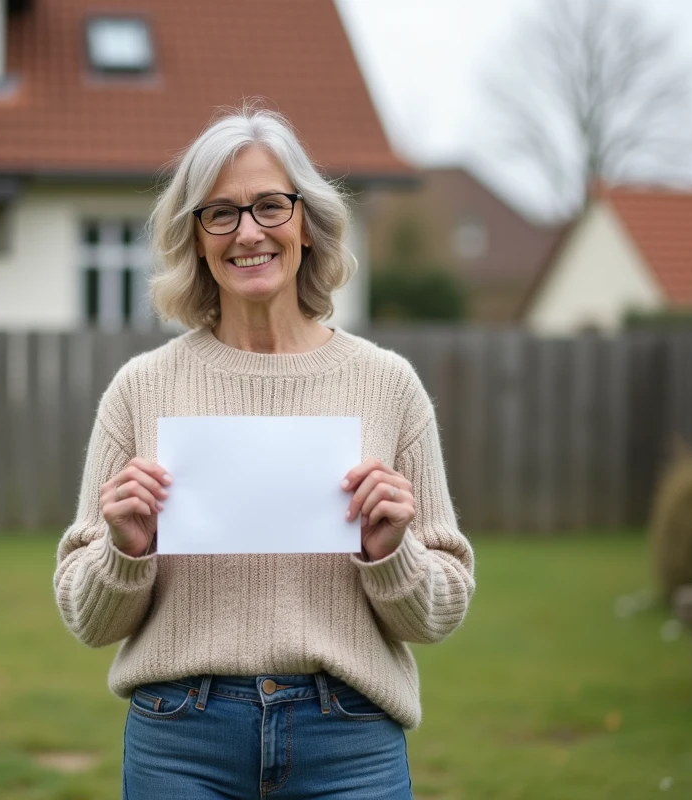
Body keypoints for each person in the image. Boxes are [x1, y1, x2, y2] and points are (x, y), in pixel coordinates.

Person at [54, 106, 475, 799]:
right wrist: (125, 551)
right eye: (220, 213)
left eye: (270, 206)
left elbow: (441, 612)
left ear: (306, 223)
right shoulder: (140, 389)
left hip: (350, 741)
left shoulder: (388, 385)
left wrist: (391, 554)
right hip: (180, 741)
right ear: (196, 239)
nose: (248, 231)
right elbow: (87, 619)